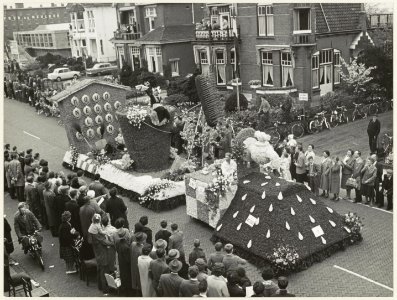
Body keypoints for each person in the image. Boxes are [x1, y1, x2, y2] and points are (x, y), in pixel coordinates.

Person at [89, 215, 114, 295]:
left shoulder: (92, 230)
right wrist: (113, 243)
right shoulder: (98, 236)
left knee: (99, 270)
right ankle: (105, 290)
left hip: (98, 255)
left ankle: (100, 286)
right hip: (103, 256)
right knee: (104, 272)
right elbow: (106, 242)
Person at [114, 218, 132, 296]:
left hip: (119, 252)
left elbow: (114, 243)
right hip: (127, 252)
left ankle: (120, 281)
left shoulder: (114, 234)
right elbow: (130, 240)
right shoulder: (127, 231)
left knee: (120, 268)